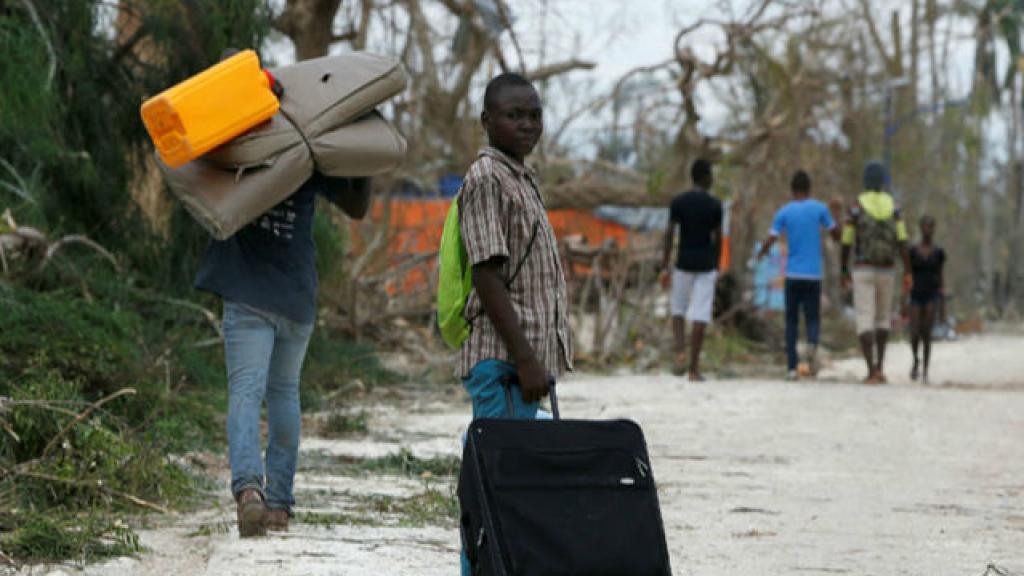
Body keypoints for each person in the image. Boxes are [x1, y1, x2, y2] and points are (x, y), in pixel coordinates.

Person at [196, 169, 371, 535]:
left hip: (248, 292)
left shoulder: (244, 152)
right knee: (284, 393)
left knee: (246, 391)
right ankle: (278, 506)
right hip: (296, 295)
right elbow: (356, 207)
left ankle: (249, 490)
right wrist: (366, 165)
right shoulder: (309, 157)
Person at [457, 73, 573, 575]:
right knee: (502, 495)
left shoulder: (521, 178)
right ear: (487, 120)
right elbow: (487, 275)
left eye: (534, 115)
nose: (527, 125)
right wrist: (526, 359)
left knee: (500, 486)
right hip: (505, 364)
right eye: (514, 115)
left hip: (521, 367)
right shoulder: (487, 179)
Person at [757, 170, 840, 380]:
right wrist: (836, 214)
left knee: (791, 321)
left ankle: (792, 368)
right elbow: (836, 235)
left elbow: (771, 238)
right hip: (813, 275)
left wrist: (762, 253)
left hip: (792, 274)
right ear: (809, 189)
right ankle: (811, 345)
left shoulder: (784, 212)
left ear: (792, 190)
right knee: (812, 318)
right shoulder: (820, 209)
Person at [840, 161, 911, 384]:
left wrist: (843, 269)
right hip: (887, 270)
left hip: (863, 269)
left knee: (864, 318)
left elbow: (846, 240)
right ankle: (880, 367)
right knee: (882, 319)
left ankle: (870, 371)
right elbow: (902, 240)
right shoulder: (894, 206)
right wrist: (907, 271)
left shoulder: (856, 206)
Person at [661, 158, 723, 380]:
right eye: (711, 175)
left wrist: (665, 264)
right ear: (705, 177)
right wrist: (717, 264)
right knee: (700, 314)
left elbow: (670, 233)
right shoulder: (715, 205)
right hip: (706, 265)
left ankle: (680, 350)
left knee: (678, 309)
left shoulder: (679, 202)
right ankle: (694, 369)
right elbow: (718, 237)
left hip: (683, 263)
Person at [908, 215, 945, 383]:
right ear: (920, 228)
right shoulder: (913, 251)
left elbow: (941, 276)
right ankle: (915, 360)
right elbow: (907, 274)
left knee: (927, 333)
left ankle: (925, 370)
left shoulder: (938, 253)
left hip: (932, 293)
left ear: (934, 229)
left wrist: (942, 303)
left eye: (930, 226)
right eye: (925, 226)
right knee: (914, 332)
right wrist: (903, 298)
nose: (927, 230)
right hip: (915, 293)